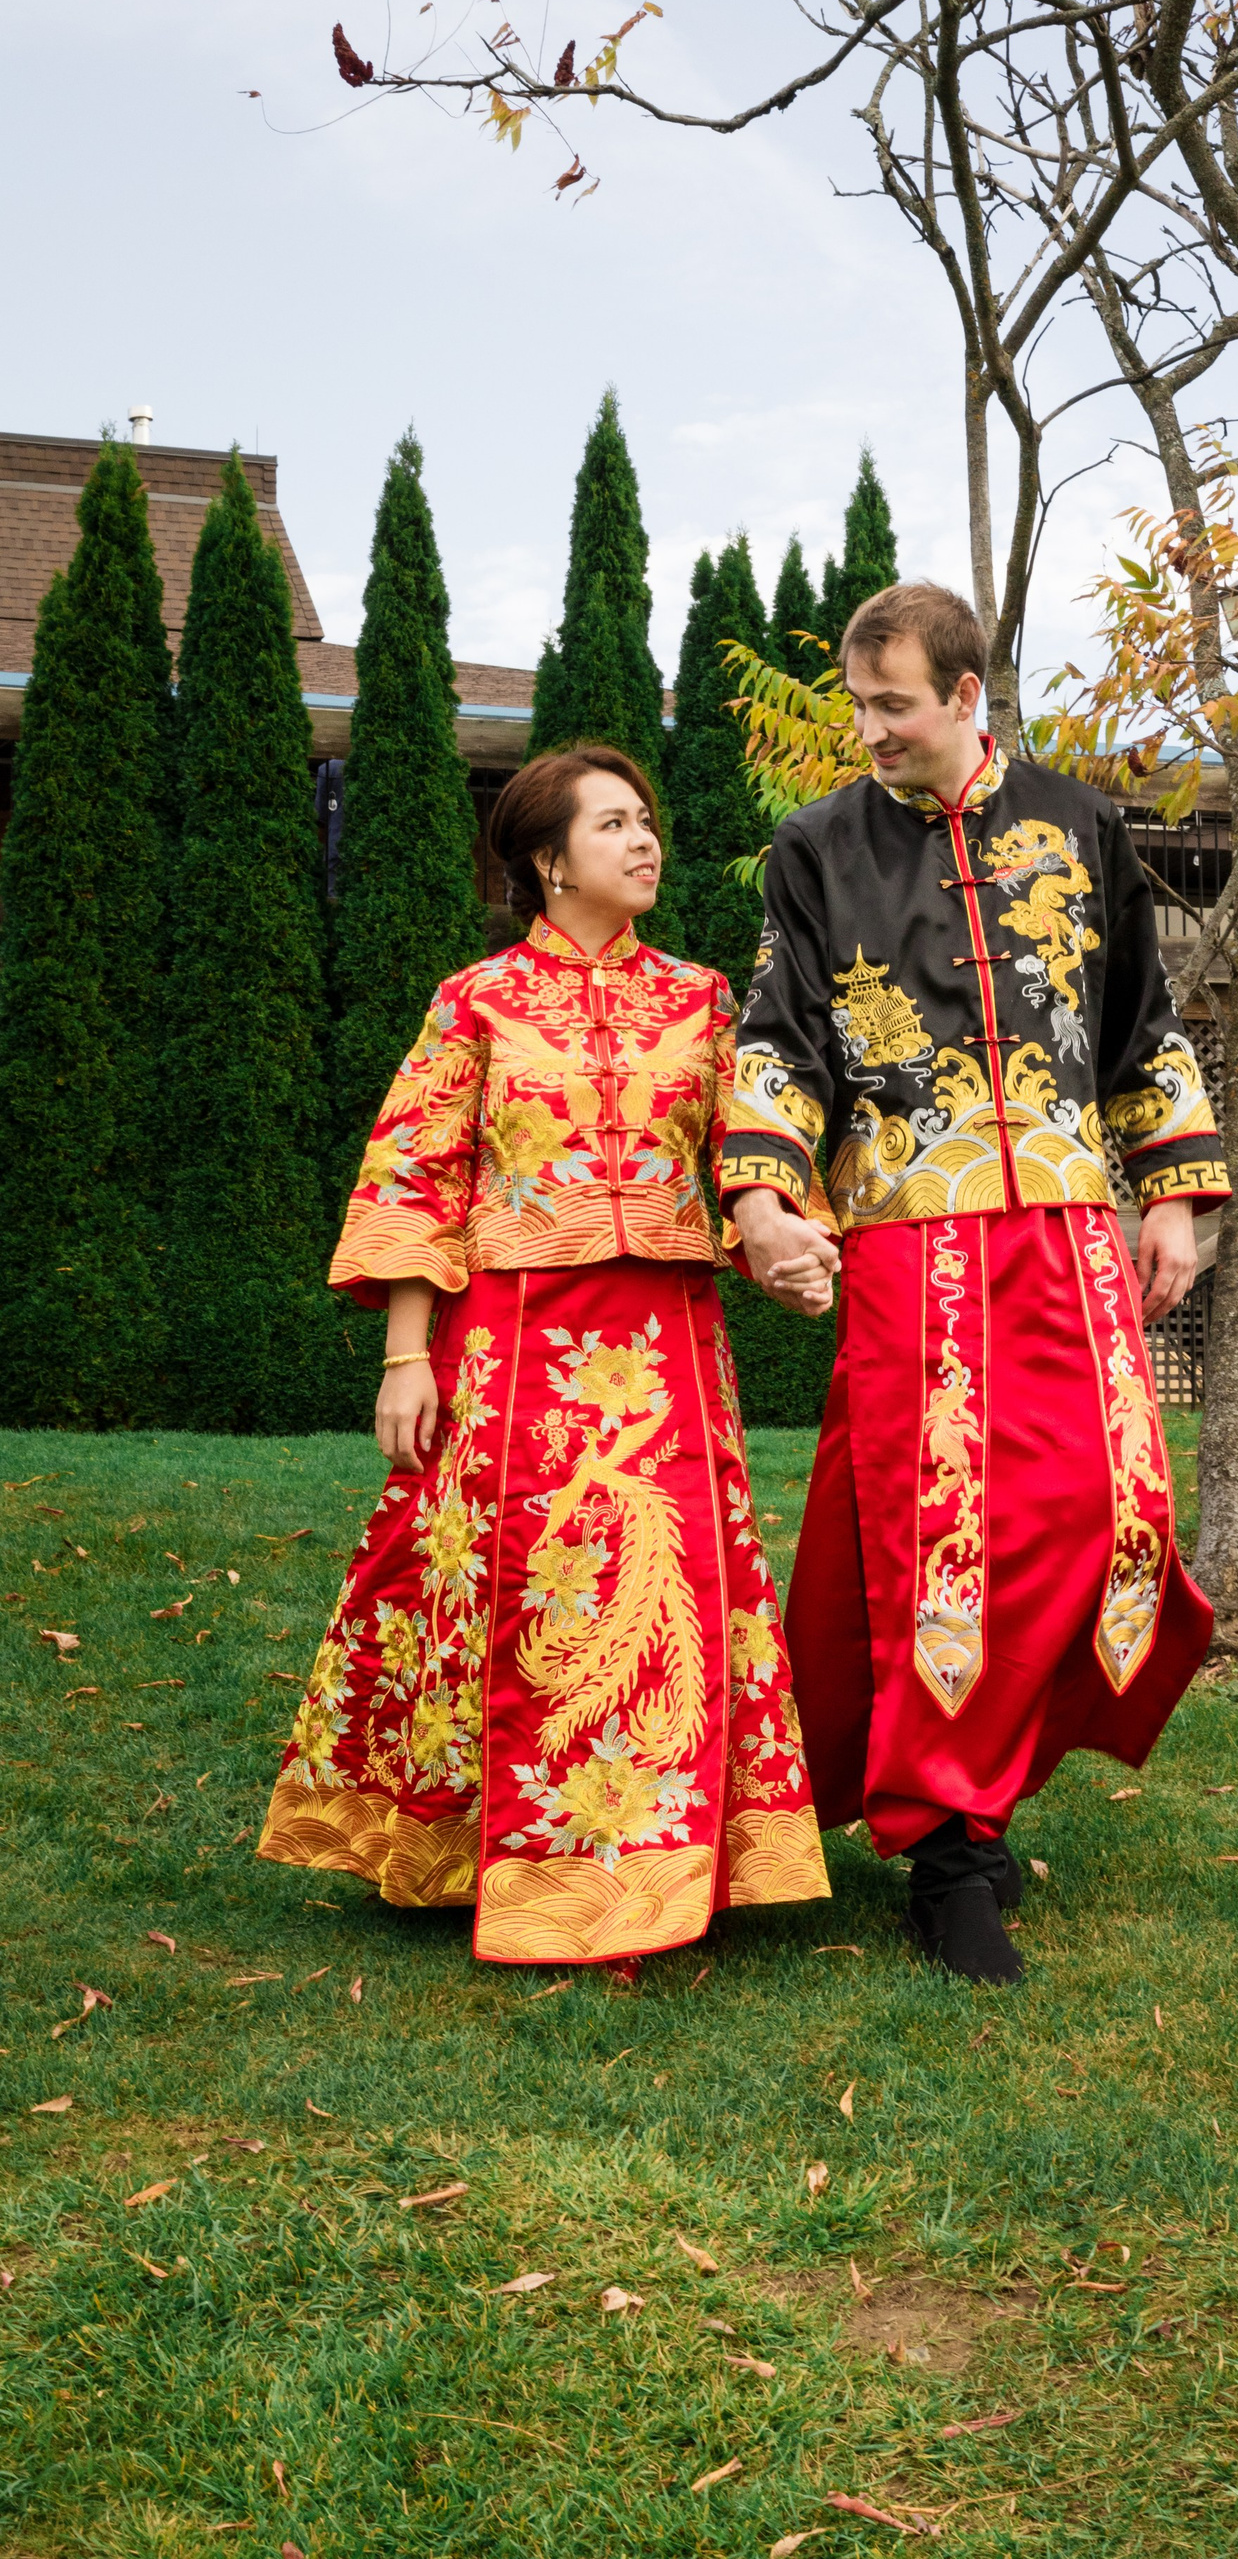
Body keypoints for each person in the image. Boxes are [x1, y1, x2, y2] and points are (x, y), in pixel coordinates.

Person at [722, 582, 1230, 1985]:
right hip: (909, 1241)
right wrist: (763, 1200)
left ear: (964, 694)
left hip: (1067, 1231)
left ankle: (981, 1781)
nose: (870, 730)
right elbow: (779, 1034)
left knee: (1113, 1512)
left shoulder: (1081, 824)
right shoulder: (816, 847)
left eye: (893, 704)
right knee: (937, 1534)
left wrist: (1173, 1192)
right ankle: (950, 1851)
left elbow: (1139, 1020)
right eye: (858, 705)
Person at [257, 744, 832, 1964]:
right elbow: (415, 1174)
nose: (644, 840)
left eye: (646, 820)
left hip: (668, 1350)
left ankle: (664, 1861)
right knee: (507, 1589)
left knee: (674, 1589)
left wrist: (780, 1237)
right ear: (546, 859)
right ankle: (475, 1848)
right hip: (511, 1348)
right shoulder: (476, 1001)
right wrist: (404, 1357)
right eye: (612, 823)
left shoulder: (705, 1001)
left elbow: (749, 1152)